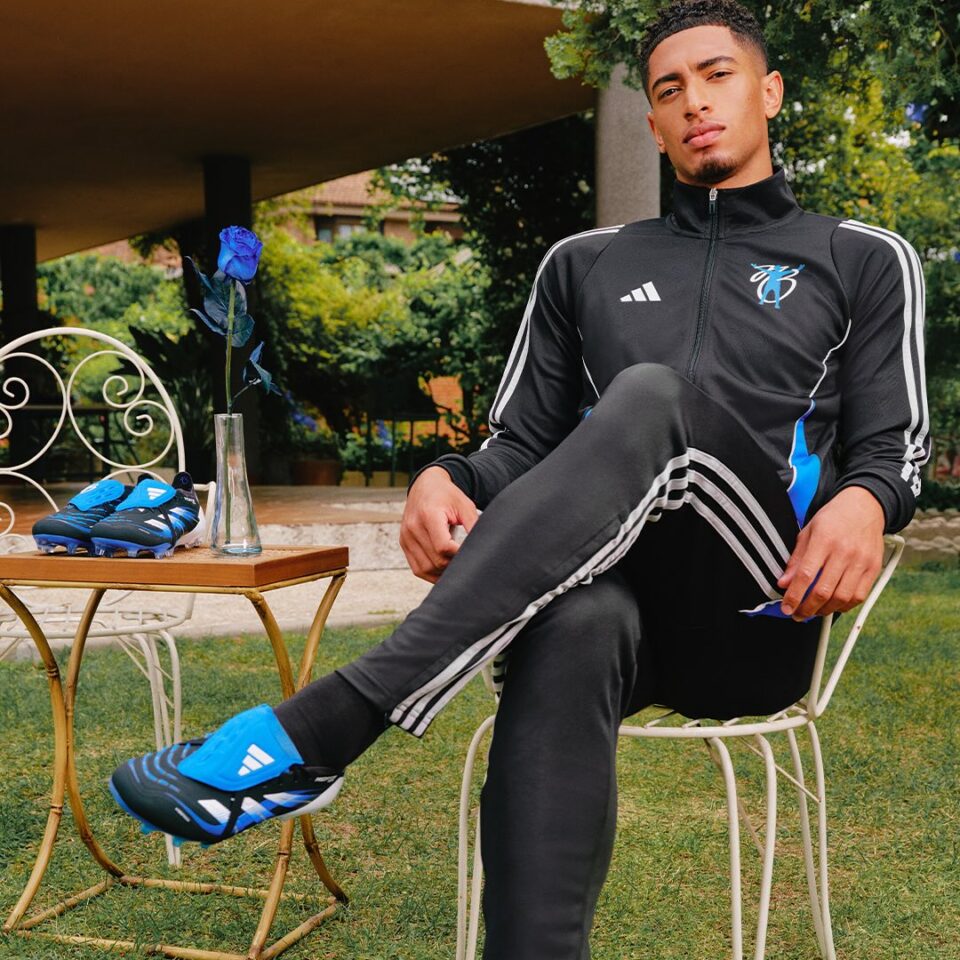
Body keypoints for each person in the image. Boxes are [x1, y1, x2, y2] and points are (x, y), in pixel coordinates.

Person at [111, 1, 930, 956]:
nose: (696, 103)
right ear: (653, 123)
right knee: (577, 622)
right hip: (612, 600)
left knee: (653, 398)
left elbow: (895, 447)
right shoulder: (584, 264)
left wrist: (866, 501)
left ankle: (328, 724)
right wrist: (447, 475)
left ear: (770, 92)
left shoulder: (859, 257)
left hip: (753, 608)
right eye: (670, 90)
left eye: (718, 76)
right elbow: (522, 443)